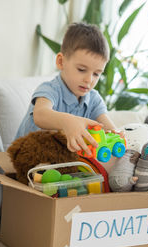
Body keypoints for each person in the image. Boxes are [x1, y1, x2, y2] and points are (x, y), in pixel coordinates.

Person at [15, 22, 119, 156]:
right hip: (28, 159)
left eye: (96, 74)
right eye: (82, 70)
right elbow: (40, 115)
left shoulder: (93, 99)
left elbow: (109, 129)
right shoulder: (50, 89)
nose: (89, 80)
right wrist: (68, 122)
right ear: (60, 62)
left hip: (61, 164)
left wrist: (117, 135)